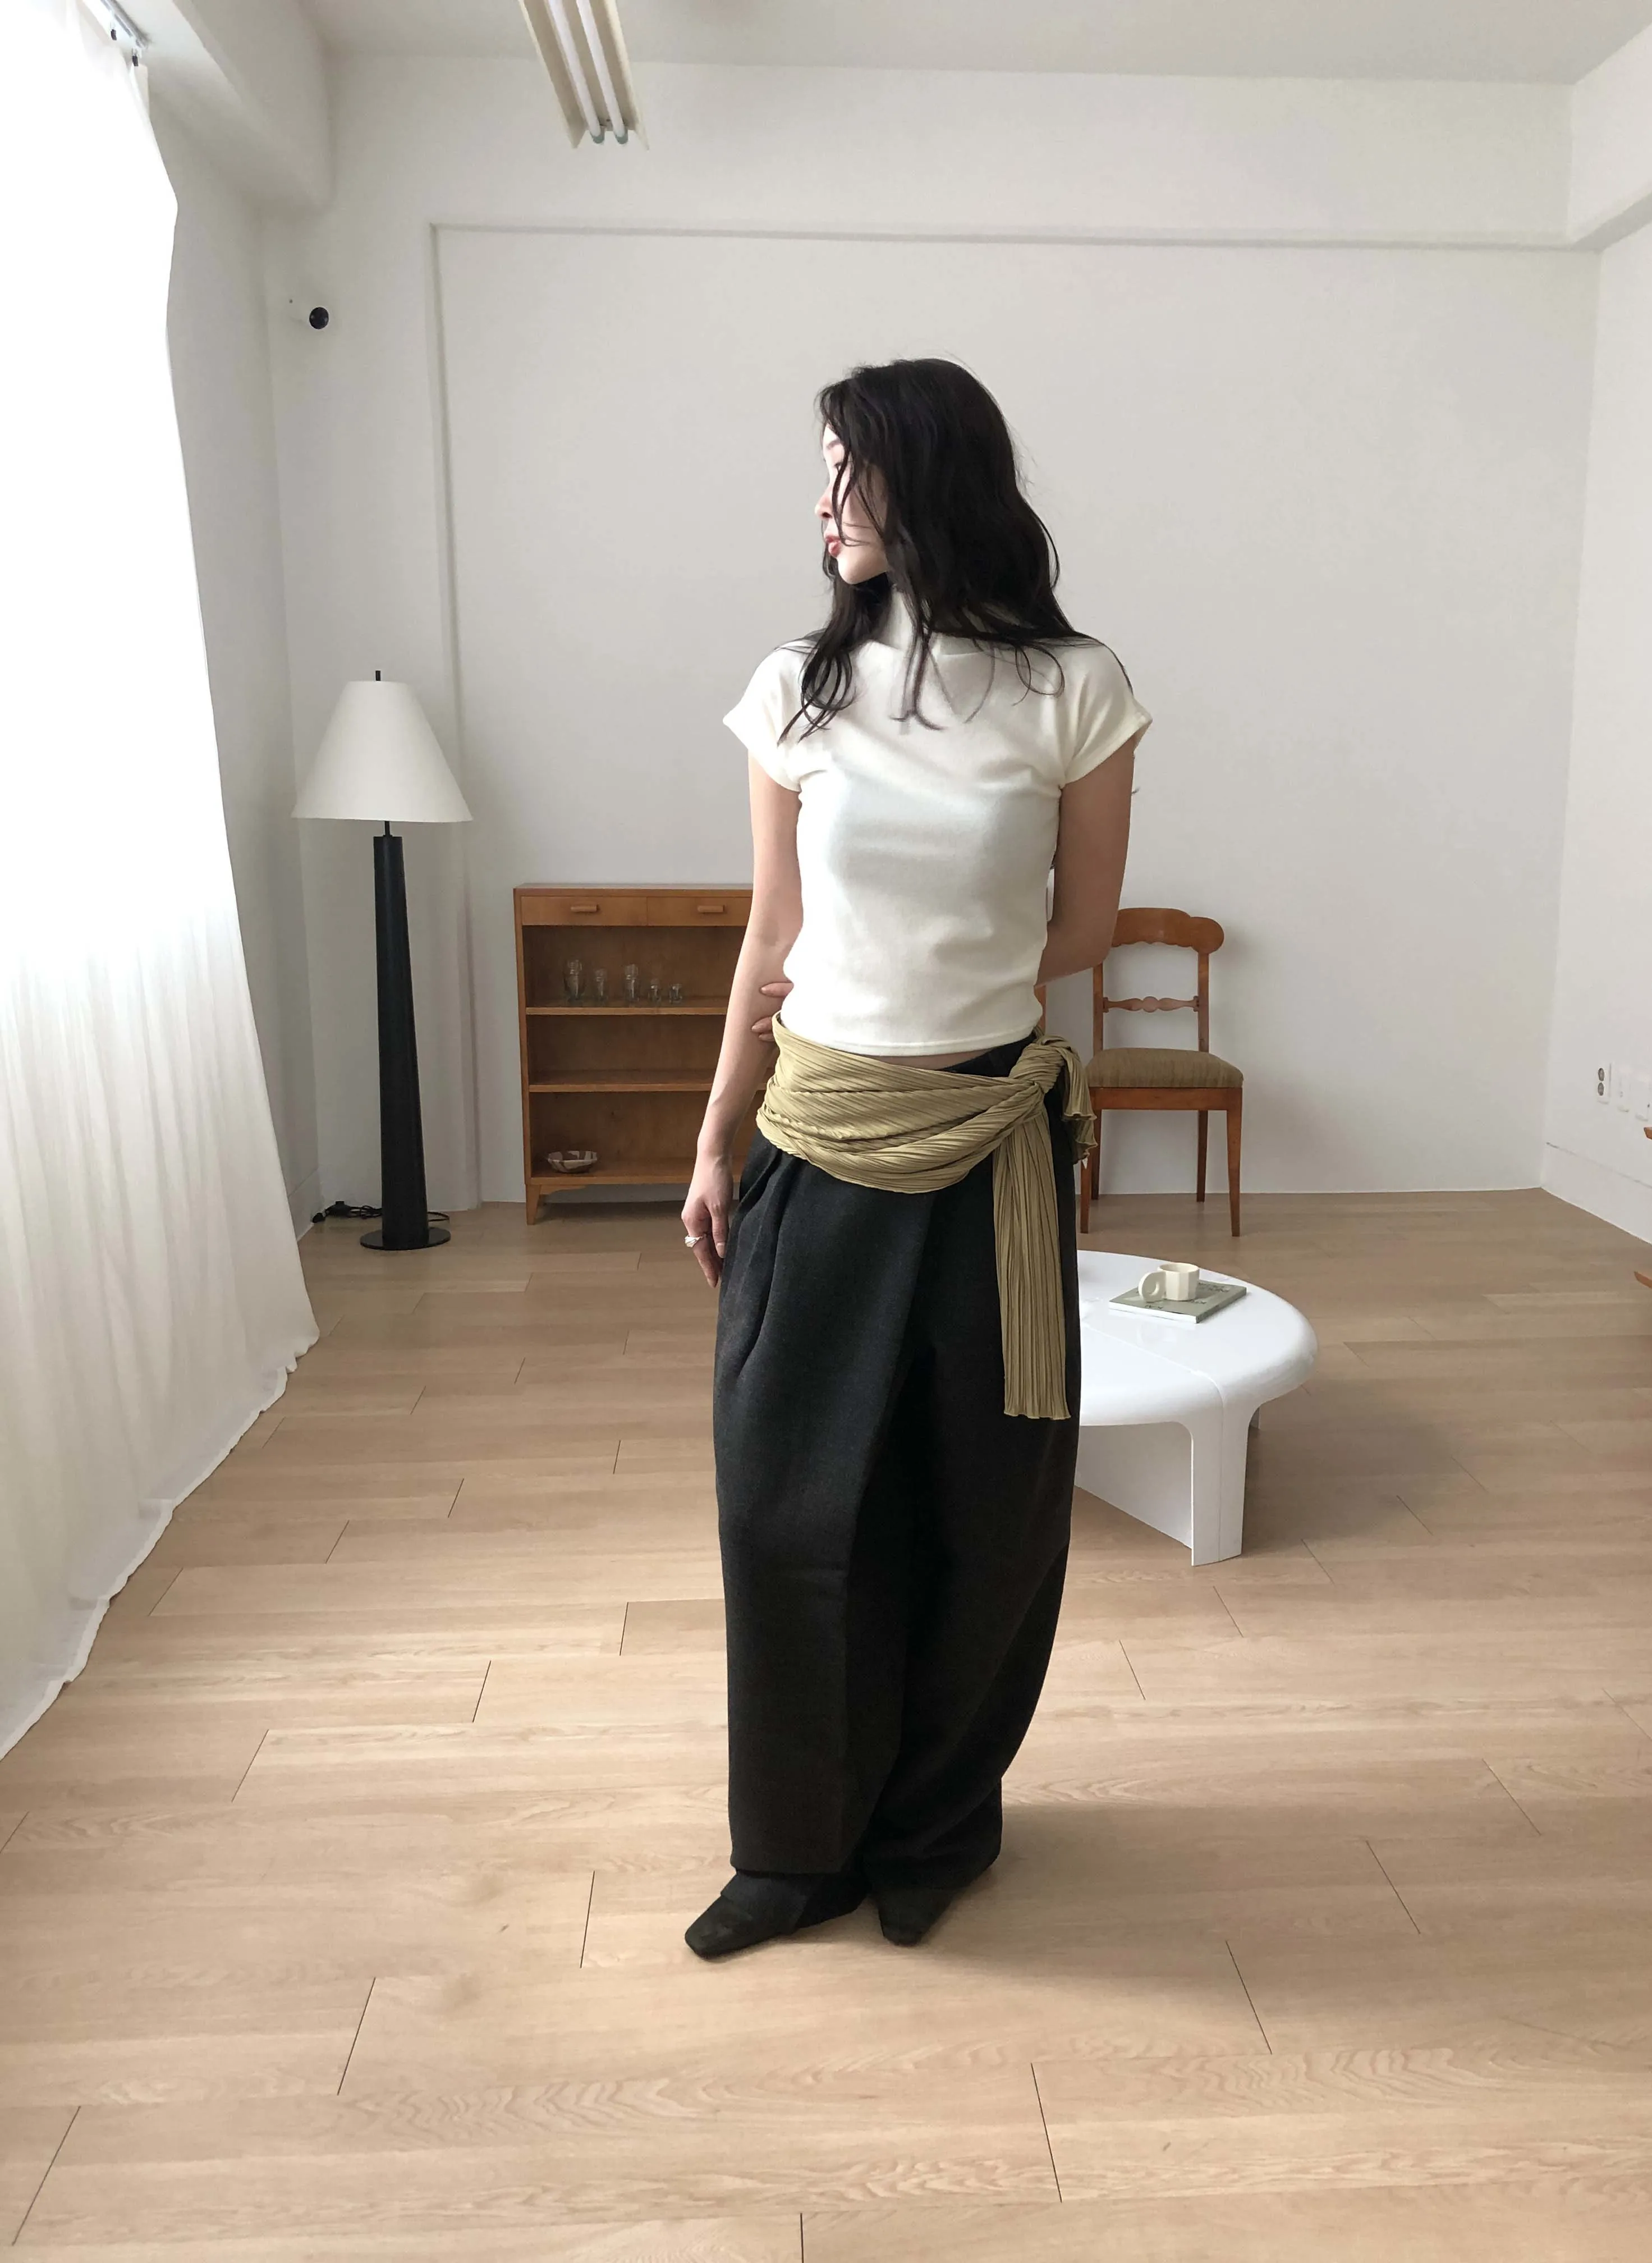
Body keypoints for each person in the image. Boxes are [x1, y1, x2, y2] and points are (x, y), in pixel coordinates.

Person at [680, 356, 1150, 1960]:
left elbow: (1084, 925)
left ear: (930, 475)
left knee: (986, 1516)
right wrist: (715, 1137)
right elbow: (772, 935)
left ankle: (936, 1831)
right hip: (817, 1139)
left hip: (992, 1152)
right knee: (788, 1512)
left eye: (848, 469)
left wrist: (954, 983)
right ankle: (795, 1852)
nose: (822, 503)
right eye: (819, 471)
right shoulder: (798, 690)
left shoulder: (1074, 687)